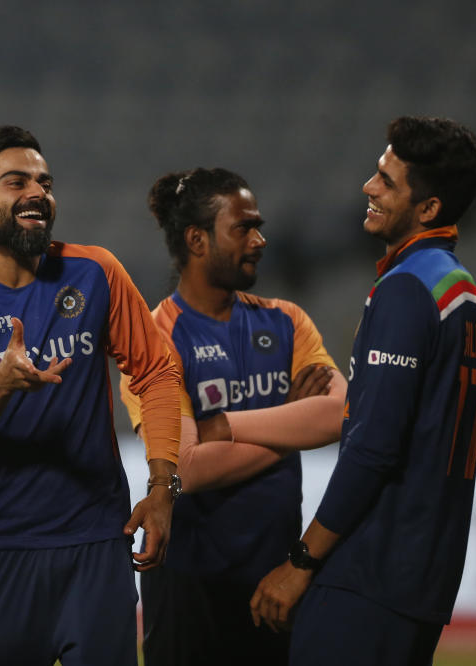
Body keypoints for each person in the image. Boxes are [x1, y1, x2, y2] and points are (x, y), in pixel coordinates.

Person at [0, 125, 182, 666]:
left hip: (97, 545)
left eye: (44, 181)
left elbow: (157, 372)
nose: (37, 192)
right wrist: (1, 385)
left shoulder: (95, 272)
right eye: (16, 182)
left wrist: (162, 486)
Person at [250, 116, 476, 666]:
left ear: (428, 209)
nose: (368, 186)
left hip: (373, 573)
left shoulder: (407, 290)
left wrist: (301, 561)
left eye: (386, 179)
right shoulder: (460, 291)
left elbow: (375, 447)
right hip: (423, 574)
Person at [119, 167, 347, 665]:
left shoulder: (287, 320)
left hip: (274, 578)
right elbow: (187, 467)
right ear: (197, 240)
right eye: (243, 228)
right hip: (187, 585)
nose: (260, 240)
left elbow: (342, 414)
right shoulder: (155, 338)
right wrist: (292, 420)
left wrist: (227, 425)